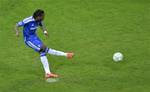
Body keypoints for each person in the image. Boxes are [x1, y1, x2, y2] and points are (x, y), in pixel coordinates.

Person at [15, 9, 74, 80]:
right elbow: (17, 25)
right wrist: (17, 32)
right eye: (42, 16)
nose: (44, 17)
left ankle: (48, 73)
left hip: (35, 38)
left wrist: (45, 31)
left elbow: (41, 25)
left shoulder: (39, 20)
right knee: (44, 48)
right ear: (38, 16)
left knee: (43, 52)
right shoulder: (28, 20)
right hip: (29, 40)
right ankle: (66, 55)